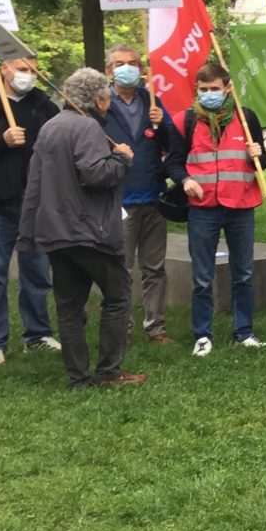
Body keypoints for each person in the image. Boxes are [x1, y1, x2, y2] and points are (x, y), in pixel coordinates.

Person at [17, 68, 142, 389]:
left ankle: (78, 377)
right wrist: (122, 159)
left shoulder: (50, 126)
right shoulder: (87, 126)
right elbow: (95, 174)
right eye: (107, 97)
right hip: (89, 230)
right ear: (98, 100)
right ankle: (109, 371)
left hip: (55, 231)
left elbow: (35, 181)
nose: (109, 103)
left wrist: (30, 230)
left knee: (69, 307)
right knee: (118, 296)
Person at [0, 54, 61, 363]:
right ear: (3, 68)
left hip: (35, 201)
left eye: (33, 70)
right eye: (21, 69)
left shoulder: (44, 106)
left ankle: (38, 334)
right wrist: (1, 141)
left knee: (37, 271)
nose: (28, 75)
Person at [177, 61, 266, 357]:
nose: (209, 94)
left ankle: (244, 331)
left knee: (243, 273)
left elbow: (263, 162)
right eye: (203, 89)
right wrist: (185, 179)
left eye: (214, 89)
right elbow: (173, 162)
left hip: (240, 205)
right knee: (202, 277)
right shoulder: (187, 119)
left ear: (228, 88)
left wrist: (257, 154)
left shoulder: (246, 117)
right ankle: (203, 334)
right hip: (202, 208)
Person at [103, 45, 186, 344]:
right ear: (109, 70)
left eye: (133, 63)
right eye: (119, 64)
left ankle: (156, 327)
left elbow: (172, 146)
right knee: (121, 269)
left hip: (153, 196)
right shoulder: (101, 104)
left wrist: (161, 123)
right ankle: (121, 329)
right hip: (119, 199)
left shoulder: (151, 100)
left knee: (154, 268)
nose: (127, 68)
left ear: (141, 69)